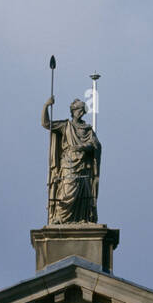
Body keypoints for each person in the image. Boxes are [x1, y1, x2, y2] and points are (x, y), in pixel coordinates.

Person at [41, 96, 101, 224]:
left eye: (82, 110)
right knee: (68, 191)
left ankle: (80, 218)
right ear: (73, 111)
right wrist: (46, 105)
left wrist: (83, 146)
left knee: (82, 193)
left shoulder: (88, 129)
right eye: (78, 109)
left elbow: (95, 144)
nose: (80, 112)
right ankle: (61, 217)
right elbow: (46, 123)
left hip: (84, 165)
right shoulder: (65, 125)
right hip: (69, 163)